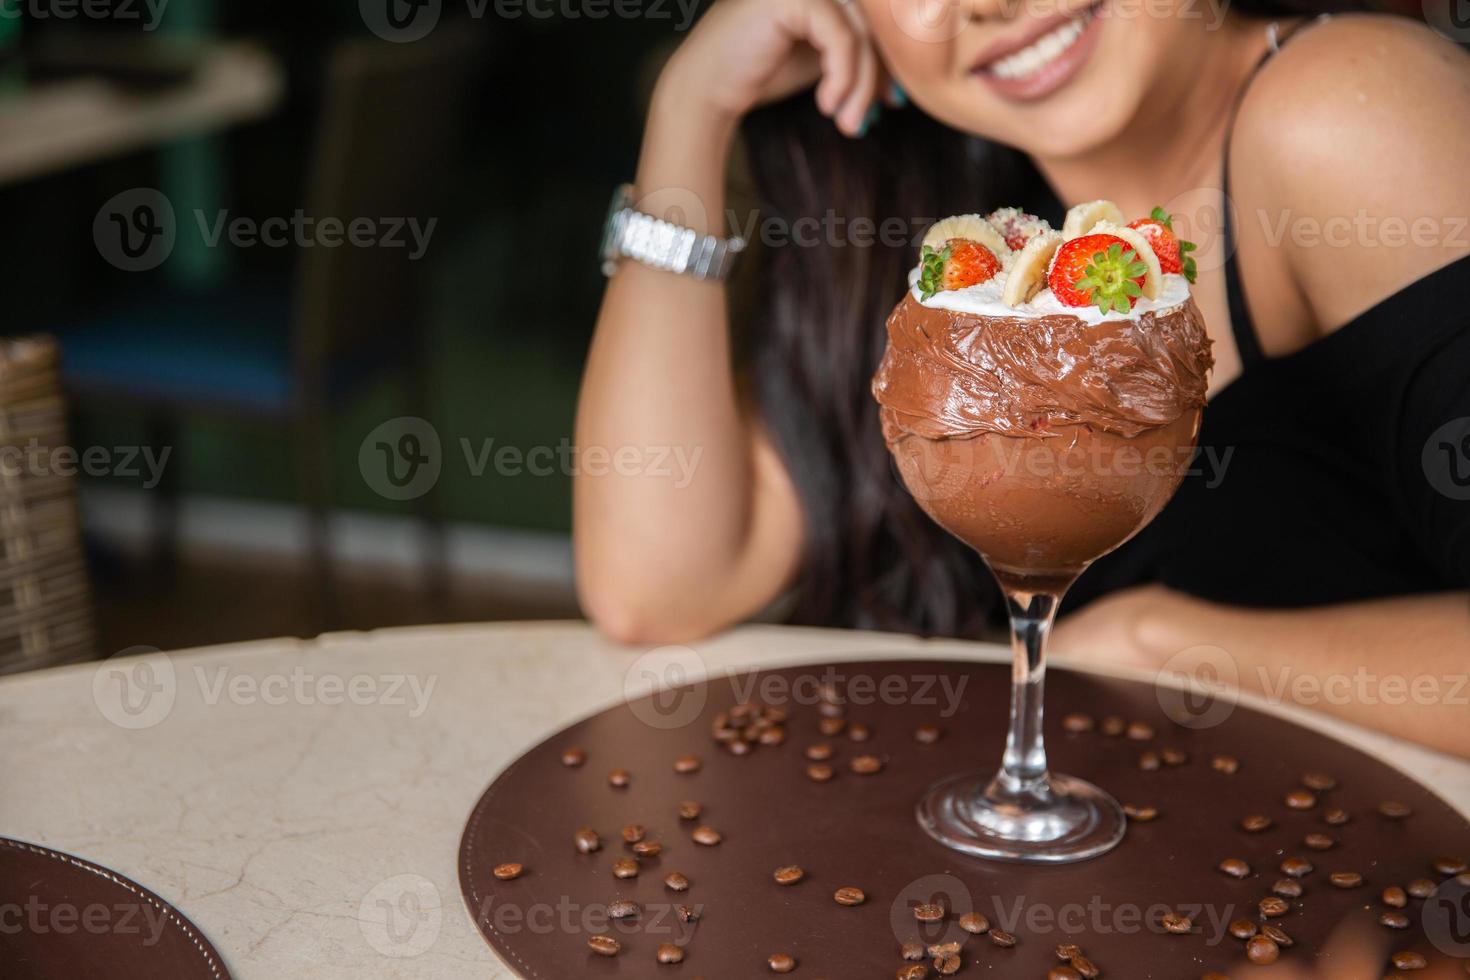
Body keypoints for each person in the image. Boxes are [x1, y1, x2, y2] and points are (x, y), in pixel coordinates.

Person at [574, 0, 1470, 756]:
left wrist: (1168, 644)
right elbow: (656, 589)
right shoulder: (958, 247)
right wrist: (690, 107)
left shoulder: (1346, 111)